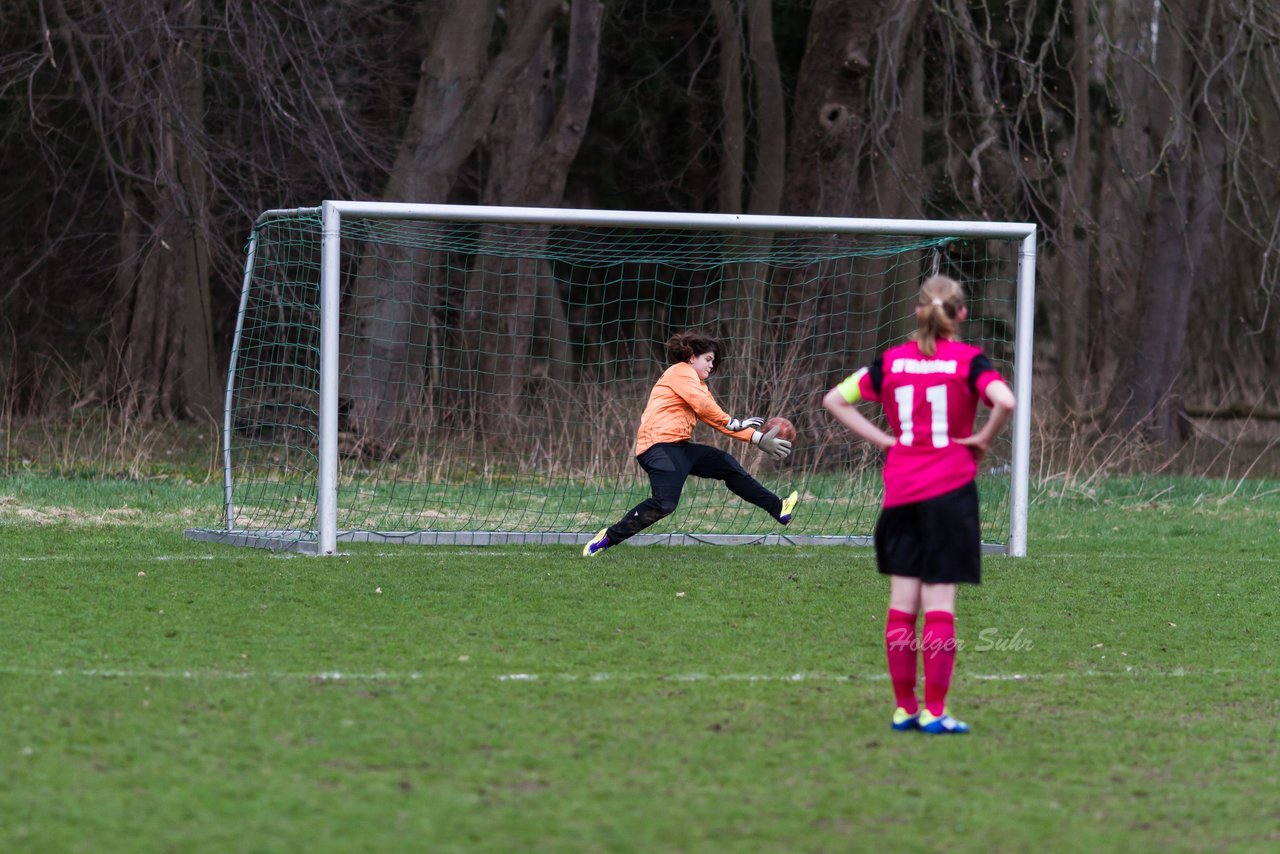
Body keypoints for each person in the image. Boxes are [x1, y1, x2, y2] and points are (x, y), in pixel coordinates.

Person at [822, 275, 1016, 734]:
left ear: (918, 312)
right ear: (960, 315)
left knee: (902, 604)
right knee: (940, 603)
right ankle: (935, 711)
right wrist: (983, 439)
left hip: (902, 493)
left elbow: (834, 399)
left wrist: (886, 440)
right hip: (950, 492)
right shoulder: (968, 361)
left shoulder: (891, 362)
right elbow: (1005, 400)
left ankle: (904, 708)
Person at [583, 330, 798, 557]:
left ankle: (778, 508)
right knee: (665, 503)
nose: (711, 366)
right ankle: (607, 537)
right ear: (692, 356)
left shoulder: (697, 386)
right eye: (708, 359)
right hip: (658, 447)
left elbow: (714, 419)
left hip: (678, 448)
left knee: (724, 463)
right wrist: (734, 422)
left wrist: (757, 438)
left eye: (713, 363)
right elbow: (709, 410)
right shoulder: (680, 371)